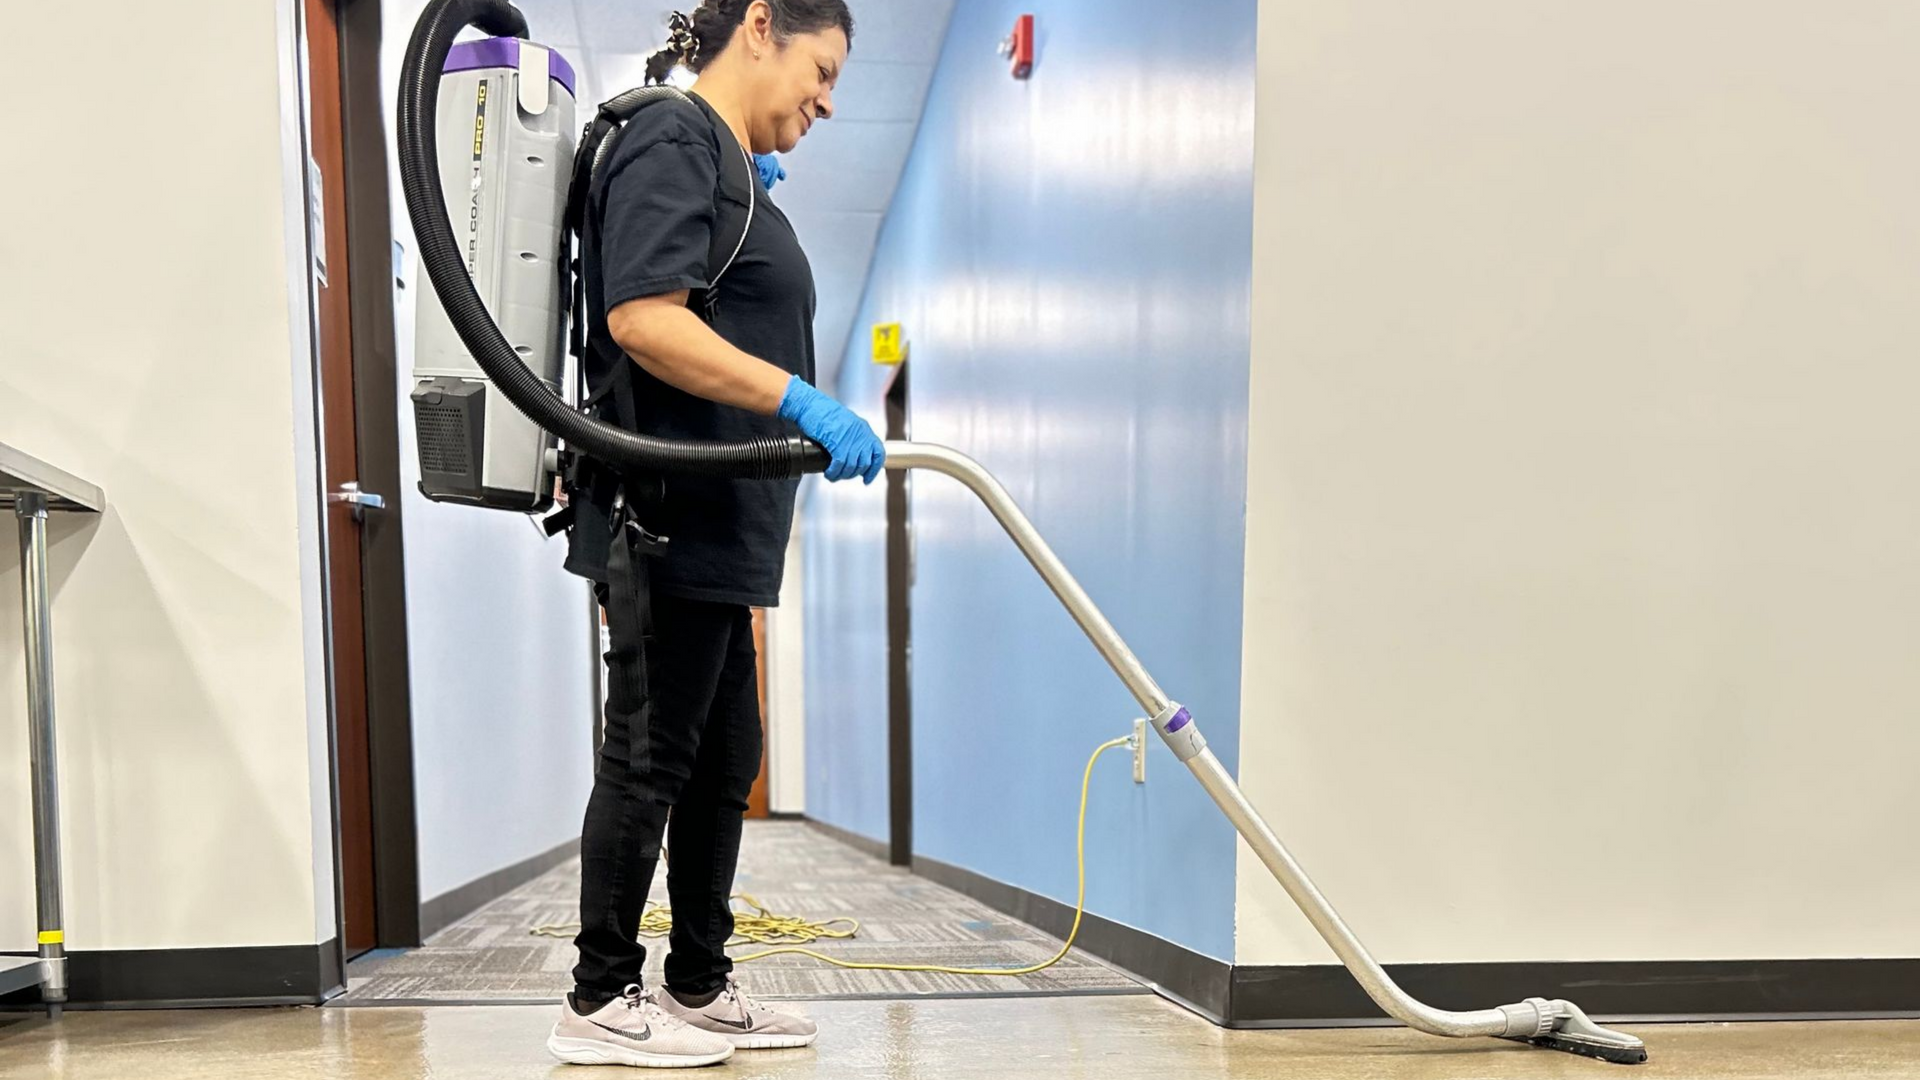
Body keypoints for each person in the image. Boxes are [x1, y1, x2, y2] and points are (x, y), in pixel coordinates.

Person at [545, 0, 877, 1068]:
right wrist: (800, 401)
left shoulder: (720, 161)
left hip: (721, 530)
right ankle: (598, 1000)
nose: (827, 101)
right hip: (668, 516)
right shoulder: (675, 136)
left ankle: (695, 981)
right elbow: (641, 315)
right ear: (763, 25)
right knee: (652, 752)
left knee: (725, 749)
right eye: (822, 71)